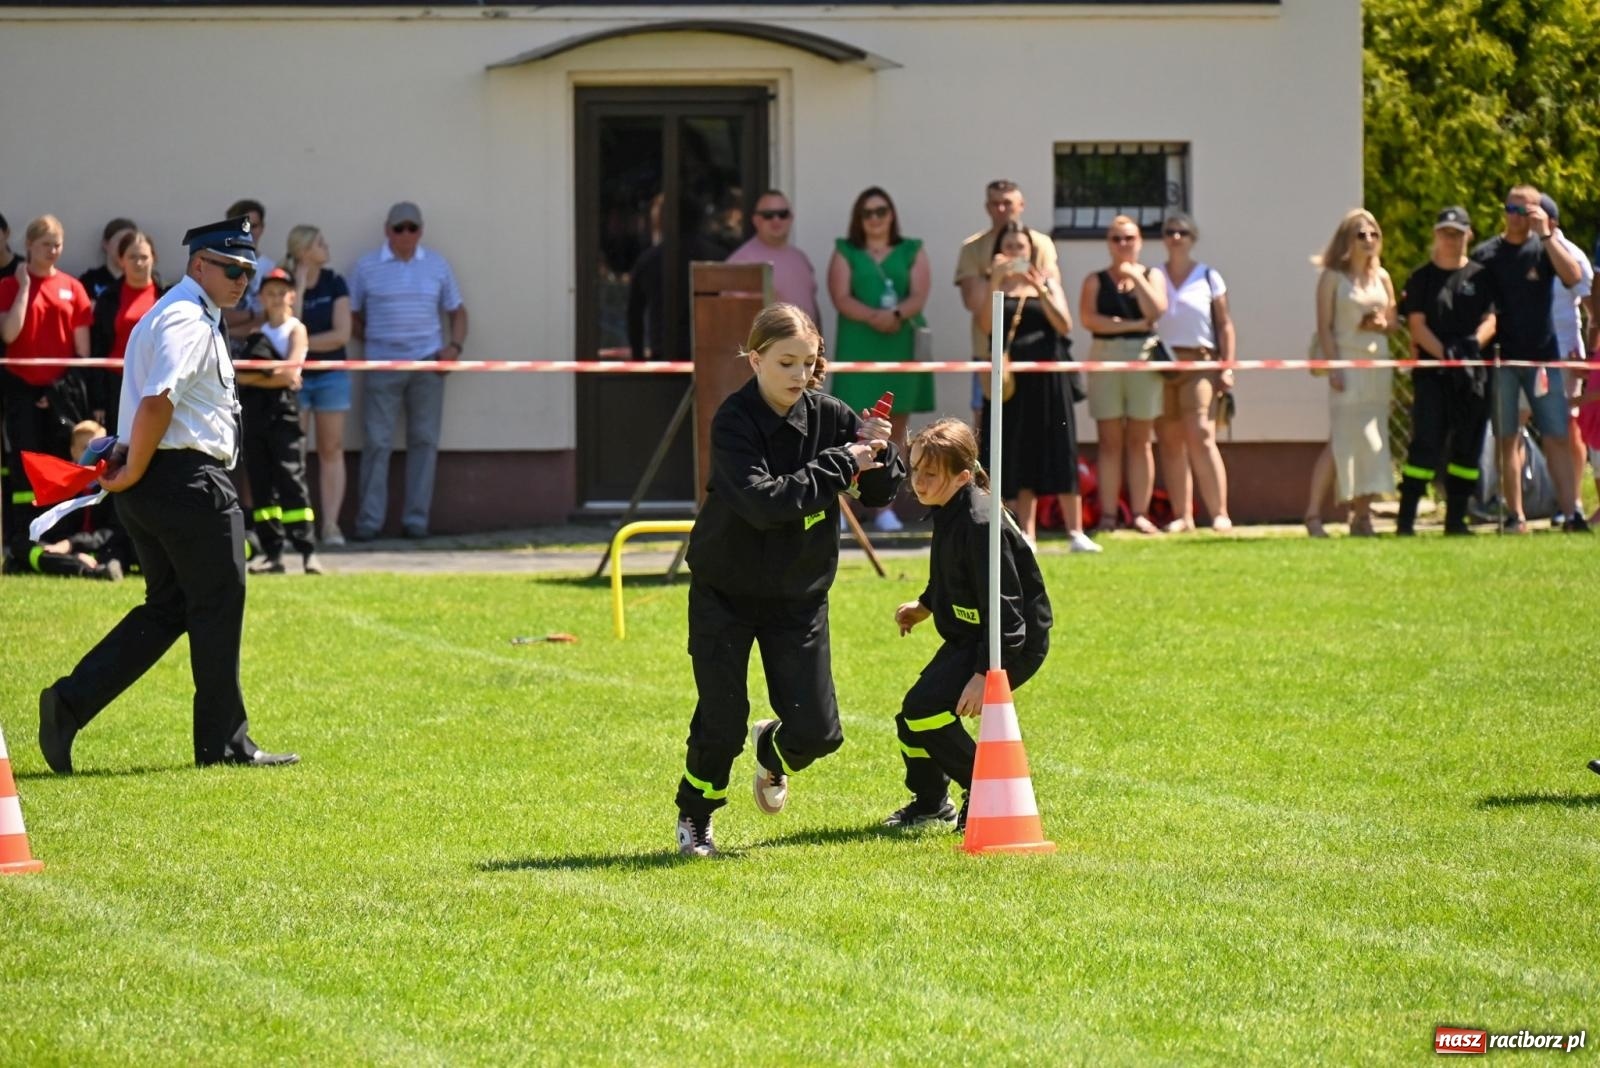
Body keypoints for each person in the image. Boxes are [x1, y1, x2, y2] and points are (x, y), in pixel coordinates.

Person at [37, 215, 299, 773]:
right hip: (185, 482)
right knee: (218, 603)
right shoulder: (185, 317)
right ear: (198, 264)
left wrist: (136, 470)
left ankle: (69, 703)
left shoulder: (183, 312)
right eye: (231, 269)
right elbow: (159, 401)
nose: (241, 281)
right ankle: (225, 745)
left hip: (160, 480)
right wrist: (133, 469)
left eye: (247, 272)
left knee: (170, 608)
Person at [673, 303, 904, 858]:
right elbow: (764, 502)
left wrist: (878, 451)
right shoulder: (733, 421)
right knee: (722, 722)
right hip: (725, 592)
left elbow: (877, 494)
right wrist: (842, 462)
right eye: (786, 363)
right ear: (755, 360)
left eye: (809, 362)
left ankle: (771, 753)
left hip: (799, 597)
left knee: (819, 733)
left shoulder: (831, 416)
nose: (800, 375)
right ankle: (695, 818)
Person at [885, 417, 1051, 832]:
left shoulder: (980, 523)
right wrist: (926, 605)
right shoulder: (950, 508)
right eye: (916, 470)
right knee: (912, 721)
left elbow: (1006, 610)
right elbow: (953, 575)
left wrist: (985, 674)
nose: (918, 482)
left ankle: (985, 791)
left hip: (1008, 643)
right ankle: (929, 805)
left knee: (924, 711)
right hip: (974, 636)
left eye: (930, 474)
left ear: (962, 477)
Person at [349, 201, 467, 540]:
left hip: (428, 365)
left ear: (421, 231)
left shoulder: (437, 265)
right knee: (376, 443)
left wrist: (454, 349)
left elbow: (457, 311)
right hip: (381, 365)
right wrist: (374, 339)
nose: (405, 234)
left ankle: (417, 521)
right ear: (387, 230)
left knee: (425, 441)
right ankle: (369, 523)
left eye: (411, 228)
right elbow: (352, 314)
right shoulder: (366, 266)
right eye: (399, 228)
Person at [976, 222, 1097, 553]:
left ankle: (1076, 531)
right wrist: (997, 281)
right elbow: (986, 325)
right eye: (1010, 247)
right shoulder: (995, 286)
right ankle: (1026, 531)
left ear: (1031, 252)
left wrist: (1040, 289)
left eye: (1021, 248)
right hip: (1013, 382)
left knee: (1061, 448)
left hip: (1049, 379)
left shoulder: (1048, 281)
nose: (1016, 253)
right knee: (1020, 450)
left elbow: (1064, 324)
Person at [1471, 184, 1585, 533]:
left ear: (1538, 213)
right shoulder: (1486, 254)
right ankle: (1515, 516)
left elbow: (1574, 277)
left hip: (1543, 360)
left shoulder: (1545, 249)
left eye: (1524, 210)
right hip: (1504, 361)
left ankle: (1571, 514)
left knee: (1557, 436)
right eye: (1510, 209)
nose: (1515, 216)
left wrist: (1548, 235)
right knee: (1507, 438)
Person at [827, 186, 932, 533]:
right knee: (848, 429)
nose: (875, 219)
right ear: (859, 218)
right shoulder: (845, 251)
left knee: (893, 431)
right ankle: (843, 509)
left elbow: (919, 293)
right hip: (859, 344)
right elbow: (840, 296)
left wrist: (897, 314)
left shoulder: (911, 249)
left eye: (881, 211)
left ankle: (885, 507)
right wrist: (875, 316)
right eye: (867, 213)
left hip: (899, 344)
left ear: (892, 214)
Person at [1395, 207, 1497, 536]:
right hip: (1433, 375)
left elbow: (1492, 319)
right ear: (1435, 234)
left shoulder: (1482, 277)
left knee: (1467, 447)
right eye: (1445, 232)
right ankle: (1406, 520)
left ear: (1469, 235)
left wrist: (1470, 347)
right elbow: (1416, 324)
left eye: (1457, 233)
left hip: (1472, 376)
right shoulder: (1421, 278)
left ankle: (1457, 520)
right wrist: (1445, 355)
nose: (1450, 239)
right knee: (1425, 444)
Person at [0, 215, 94, 547]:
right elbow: (9, 333)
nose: (53, 251)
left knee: (59, 462)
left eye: (58, 245)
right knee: (23, 465)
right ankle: (22, 535)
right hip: (20, 389)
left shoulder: (74, 288)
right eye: (46, 245)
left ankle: (59, 533)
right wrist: (25, 286)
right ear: (28, 245)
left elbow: (82, 351)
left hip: (61, 392)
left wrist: (58, 391)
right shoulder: (9, 286)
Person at [1304, 210, 1396, 537]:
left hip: (1377, 364)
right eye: (1361, 235)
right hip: (1346, 362)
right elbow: (1324, 327)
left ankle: (1362, 517)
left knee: (1373, 442)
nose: (1369, 240)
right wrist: (1334, 367)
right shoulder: (1332, 278)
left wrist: (1382, 324)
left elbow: (1393, 320)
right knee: (1341, 440)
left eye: (1373, 234)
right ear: (1347, 240)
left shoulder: (1382, 277)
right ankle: (1313, 515)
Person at [1079, 215, 1169, 534]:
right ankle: (1107, 514)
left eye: (1129, 238)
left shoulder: (1151, 275)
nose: (1123, 245)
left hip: (1143, 357)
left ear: (1140, 241)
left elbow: (1157, 310)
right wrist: (1131, 325)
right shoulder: (1095, 279)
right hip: (1105, 356)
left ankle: (1141, 513)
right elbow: (1090, 320)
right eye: (1117, 239)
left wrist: (1136, 278)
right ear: (1108, 243)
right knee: (1109, 440)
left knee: (1141, 440)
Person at [954, 179, 1061, 426]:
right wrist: (995, 276)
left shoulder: (1041, 243)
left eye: (1007, 203)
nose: (1001, 209)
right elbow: (972, 302)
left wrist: (1028, 280)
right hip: (988, 350)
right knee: (985, 424)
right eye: (995, 204)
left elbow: (1052, 290)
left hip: (1037, 351)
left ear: (1021, 205)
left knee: (1037, 426)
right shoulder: (973, 247)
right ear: (987, 207)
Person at [1154, 211, 1236, 532]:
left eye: (1182, 233)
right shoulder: (1155, 275)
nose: (1176, 237)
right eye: (1171, 232)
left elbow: (1224, 324)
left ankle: (1219, 513)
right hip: (1162, 365)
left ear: (1192, 239)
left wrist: (1226, 367)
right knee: (1170, 440)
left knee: (1201, 434)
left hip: (1200, 361)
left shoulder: (1208, 276)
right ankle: (1182, 515)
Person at [237, 268, 318, 574]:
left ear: (291, 296)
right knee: (261, 483)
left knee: (291, 478)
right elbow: (240, 376)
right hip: (256, 413)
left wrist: (265, 375)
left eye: (281, 292)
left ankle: (307, 551)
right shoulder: (257, 333)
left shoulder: (296, 330)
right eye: (269, 292)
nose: (275, 298)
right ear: (260, 297)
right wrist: (274, 374)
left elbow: (291, 373)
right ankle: (273, 553)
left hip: (284, 412)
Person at [283, 224, 353, 546]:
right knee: (292, 452)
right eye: (319, 243)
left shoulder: (335, 282)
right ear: (303, 251)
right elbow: (287, 330)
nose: (327, 247)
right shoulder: (284, 282)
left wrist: (303, 345)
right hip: (295, 380)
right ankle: (296, 528)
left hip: (331, 377)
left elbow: (342, 334)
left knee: (331, 449)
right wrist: (297, 283)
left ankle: (331, 526)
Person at [1538, 195, 1592, 526]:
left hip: (1564, 354)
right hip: (1528, 353)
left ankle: (1572, 503)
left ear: (1552, 222)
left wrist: (1586, 356)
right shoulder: (1521, 254)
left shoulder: (1572, 256)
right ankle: (1517, 505)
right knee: (1519, 424)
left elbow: (1592, 310)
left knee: (1568, 427)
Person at [89, 229, 163, 433]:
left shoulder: (167, 297)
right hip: (117, 386)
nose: (138, 263)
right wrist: (98, 401)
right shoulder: (108, 299)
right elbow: (98, 349)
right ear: (121, 260)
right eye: (132, 257)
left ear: (153, 259)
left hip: (156, 384)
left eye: (144, 257)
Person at [725, 190, 820, 324]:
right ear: (756, 220)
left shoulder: (800, 258)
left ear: (791, 218)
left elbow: (813, 306)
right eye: (768, 215)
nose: (776, 220)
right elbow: (730, 318)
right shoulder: (741, 262)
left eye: (783, 214)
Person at [220, 198, 274, 344]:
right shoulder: (216, 265)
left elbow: (270, 321)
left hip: (257, 350)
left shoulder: (272, 269)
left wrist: (226, 332)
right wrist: (252, 315)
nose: (248, 233)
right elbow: (216, 316)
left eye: (254, 226)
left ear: (262, 228)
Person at [76, 217, 137, 302]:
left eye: (128, 242)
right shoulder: (90, 280)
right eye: (120, 241)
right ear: (105, 244)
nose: (124, 247)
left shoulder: (141, 280)